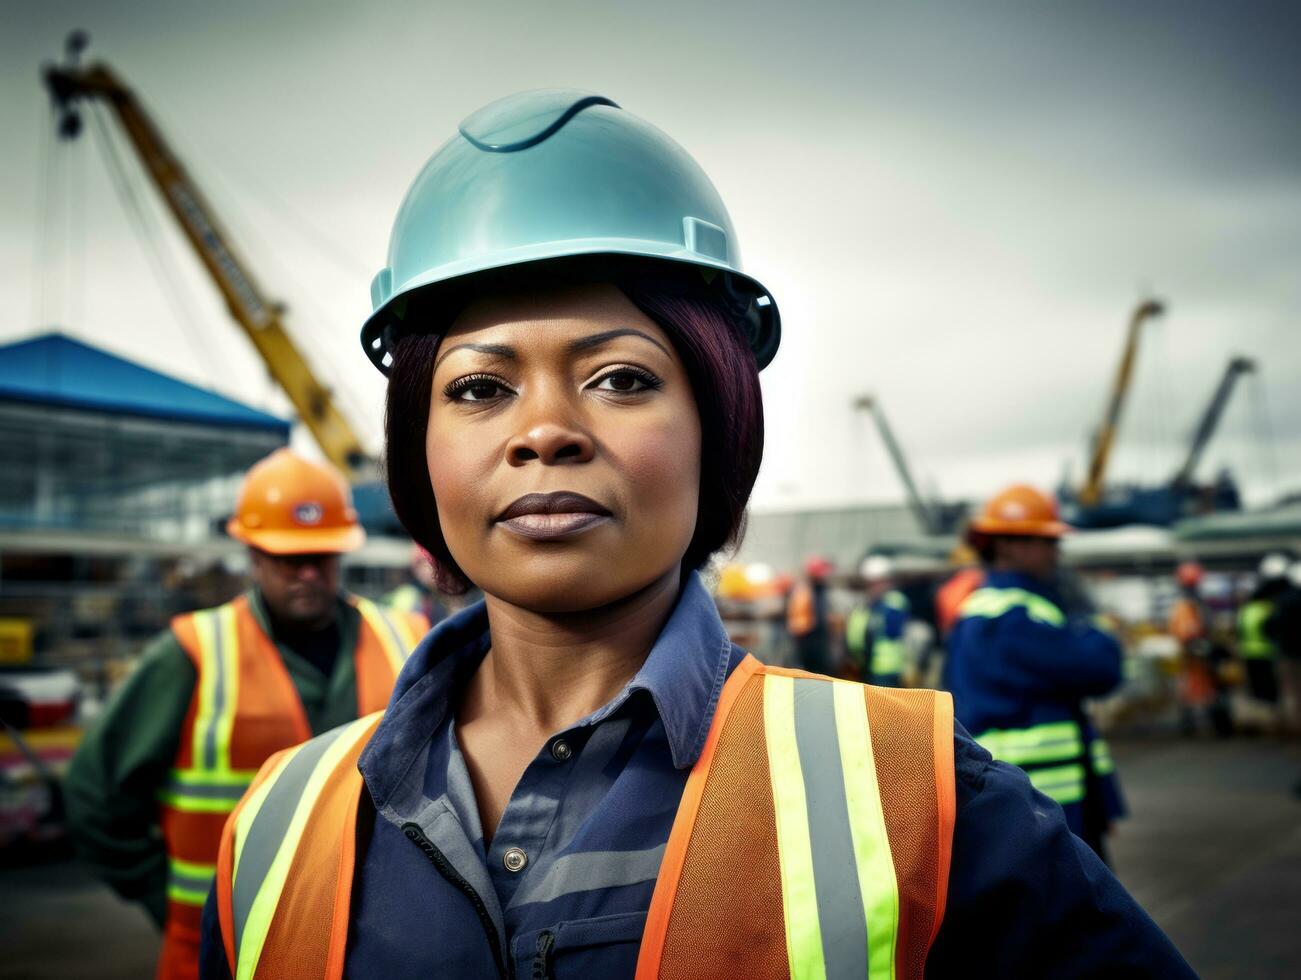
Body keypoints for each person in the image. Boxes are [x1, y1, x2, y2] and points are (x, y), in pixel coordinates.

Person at [200, 91, 1191, 978]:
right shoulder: (278, 827)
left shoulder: (917, 795)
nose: (543, 428)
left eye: (620, 376)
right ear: (417, 448)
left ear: (719, 425)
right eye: (477, 387)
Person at [65, 448, 429, 980]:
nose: (307, 572)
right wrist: (166, 899)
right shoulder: (194, 651)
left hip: (375, 945)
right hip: (222, 950)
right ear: (253, 555)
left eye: (321, 556)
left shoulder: (406, 639)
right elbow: (92, 794)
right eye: (288, 559)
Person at [944, 484, 1126, 862]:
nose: (1056, 553)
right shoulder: (1015, 616)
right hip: (1043, 799)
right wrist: (1091, 621)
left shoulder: (983, 609)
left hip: (1022, 799)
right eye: (1046, 541)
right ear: (1008, 545)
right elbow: (1103, 668)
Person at [1169, 560, 1233, 736]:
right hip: (1195, 653)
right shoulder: (1187, 605)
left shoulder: (1191, 604)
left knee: (1204, 690)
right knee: (1198, 690)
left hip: (1199, 652)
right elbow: (1185, 631)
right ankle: (1201, 724)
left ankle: (1210, 724)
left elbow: (1188, 630)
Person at [845, 554, 911, 686]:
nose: (873, 588)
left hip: (885, 668)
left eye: (876, 583)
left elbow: (892, 627)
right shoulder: (866, 604)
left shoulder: (893, 601)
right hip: (864, 665)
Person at [1238, 553, 1288, 709]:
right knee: (1270, 689)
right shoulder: (1268, 609)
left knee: (1258, 690)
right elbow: (1271, 629)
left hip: (1249, 652)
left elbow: (1241, 631)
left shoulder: (1248, 609)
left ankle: (1264, 716)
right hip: (1267, 652)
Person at [786, 555, 834, 673]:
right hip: (810, 641)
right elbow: (799, 623)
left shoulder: (819, 590)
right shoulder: (804, 591)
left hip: (817, 640)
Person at [383, 545, 449, 625]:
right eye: (417, 567)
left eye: (424, 562)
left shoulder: (453, 593)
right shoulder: (414, 598)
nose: (421, 571)